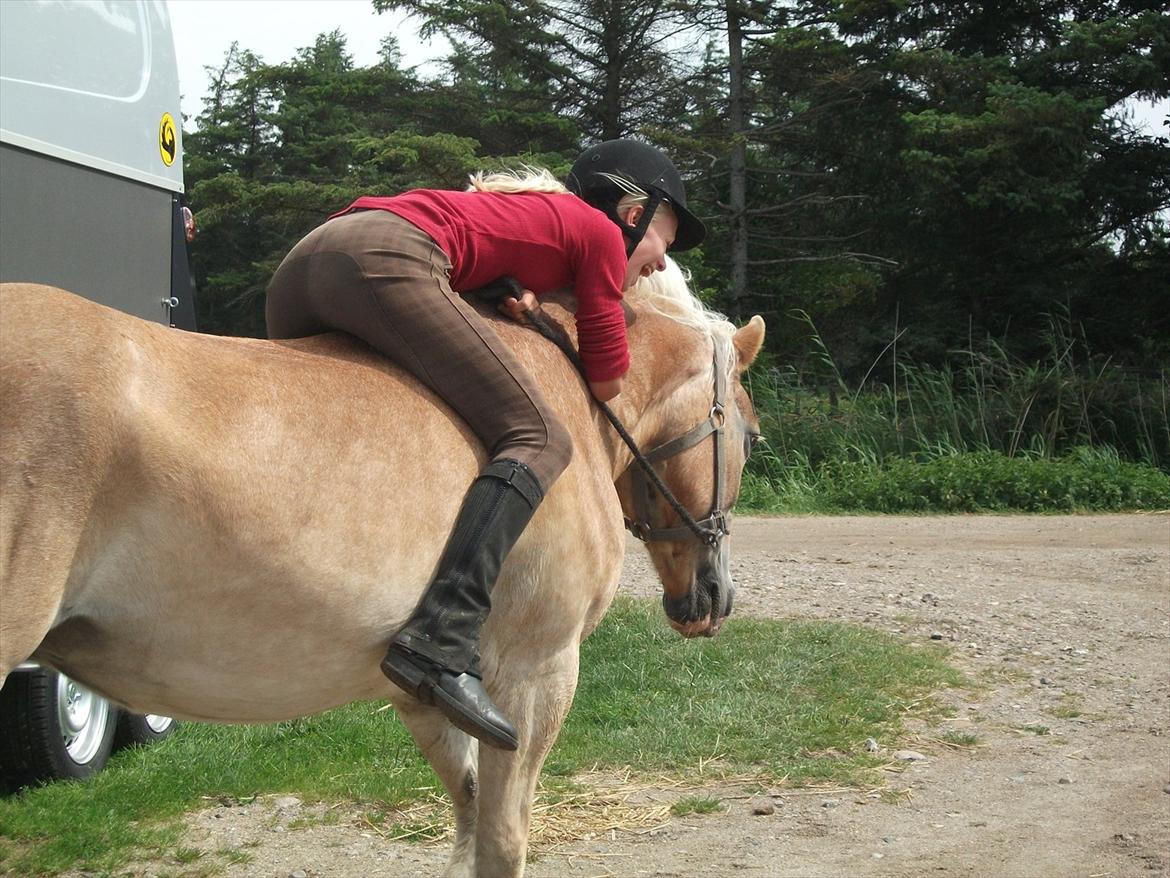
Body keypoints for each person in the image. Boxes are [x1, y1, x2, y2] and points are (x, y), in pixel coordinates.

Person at [265, 139, 706, 751]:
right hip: (383, 255)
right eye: (665, 236)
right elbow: (608, 381)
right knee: (542, 437)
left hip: (308, 263)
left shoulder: (541, 222)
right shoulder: (603, 238)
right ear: (634, 217)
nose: (661, 263)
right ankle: (441, 638)